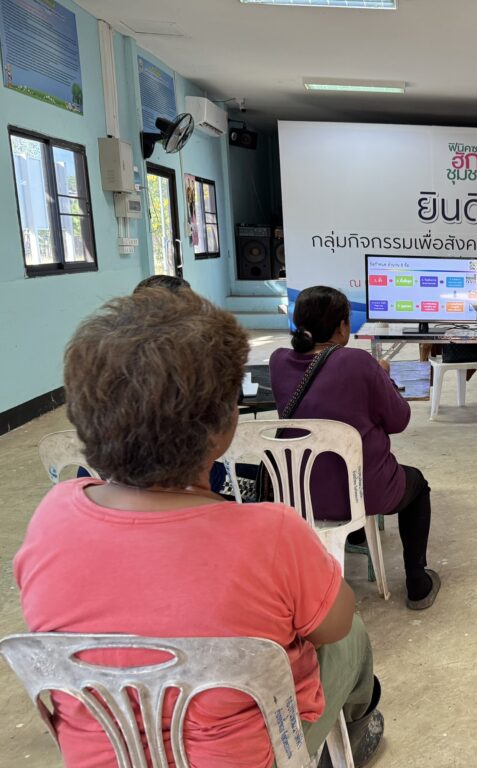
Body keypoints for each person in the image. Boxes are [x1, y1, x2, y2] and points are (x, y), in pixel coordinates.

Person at [14, 288, 383, 768]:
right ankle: (357, 723)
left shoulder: (51, 517)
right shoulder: (271, 533)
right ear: (226, 426)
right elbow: (333, 626)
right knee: (348, 632)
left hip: (102, 755)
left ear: (83, 420)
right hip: (252, 756)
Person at [270, 285, 440, 610]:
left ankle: (356, 535)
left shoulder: (279, 361)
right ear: (342, 327)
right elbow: (399, 420)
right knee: (417, 485)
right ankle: (418, 583)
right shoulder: (359, 362)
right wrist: (383, 377)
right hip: (366, 491)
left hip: (298, 492)